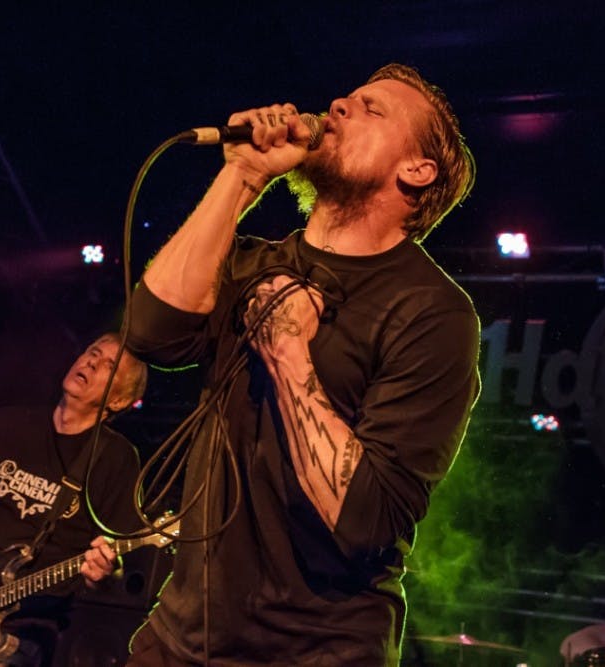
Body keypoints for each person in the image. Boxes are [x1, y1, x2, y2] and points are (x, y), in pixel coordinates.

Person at [124, 63, 480, 665]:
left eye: (372, 109)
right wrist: (242, 175)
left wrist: (289, 353)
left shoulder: (433, 312)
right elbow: (151, 332)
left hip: (313, 652)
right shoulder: (252, 261)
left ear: (416, 171)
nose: (339, 104)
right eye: (348, 97)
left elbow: (368, 521)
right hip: (180, 638)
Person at [0, 333, 148, 666]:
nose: (92, 361)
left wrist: (105, 571)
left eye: (109, 366)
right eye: (92, 352)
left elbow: (117, 563)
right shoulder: (6, 424)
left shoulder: (117, 459)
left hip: (22, 636)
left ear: (119, 401)